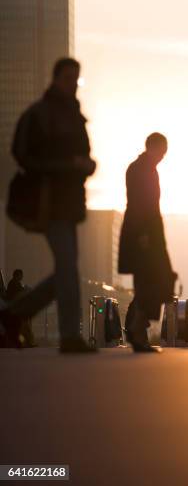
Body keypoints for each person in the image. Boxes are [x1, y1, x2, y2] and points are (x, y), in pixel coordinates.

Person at [1, 58, 96, 353]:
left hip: (68, 203)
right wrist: (66, 166)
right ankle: (69, 336)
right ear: (55, 78)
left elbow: (83, 156)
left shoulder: (75, 116)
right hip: (49, 201)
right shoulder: (39, 114)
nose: (72, 83)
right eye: (68, 77)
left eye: (75, 78)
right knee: (67, 267)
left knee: (66, 271)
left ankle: (13, 314)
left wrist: (86, 165)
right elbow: (21, 153)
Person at [118, 132, 176, 353]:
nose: (163, 156)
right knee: (153, 280)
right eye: (161, 151)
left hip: (147, 232)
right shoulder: (141, 169)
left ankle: (138, 328)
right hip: (144, 233)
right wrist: (144, 235)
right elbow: (140, 203)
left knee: (150, 282)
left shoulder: (145, 168)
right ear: (152, 147)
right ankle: (137, 328)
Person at [5, 270, 36, 348]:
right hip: (16, 309)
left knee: (22, 328)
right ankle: (28, 342)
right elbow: (19, 294)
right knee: (24, 327)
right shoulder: (14, 284)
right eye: (21, 275)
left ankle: (26, 342)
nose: (22, 277)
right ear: (17, 275)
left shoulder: (14, 283)